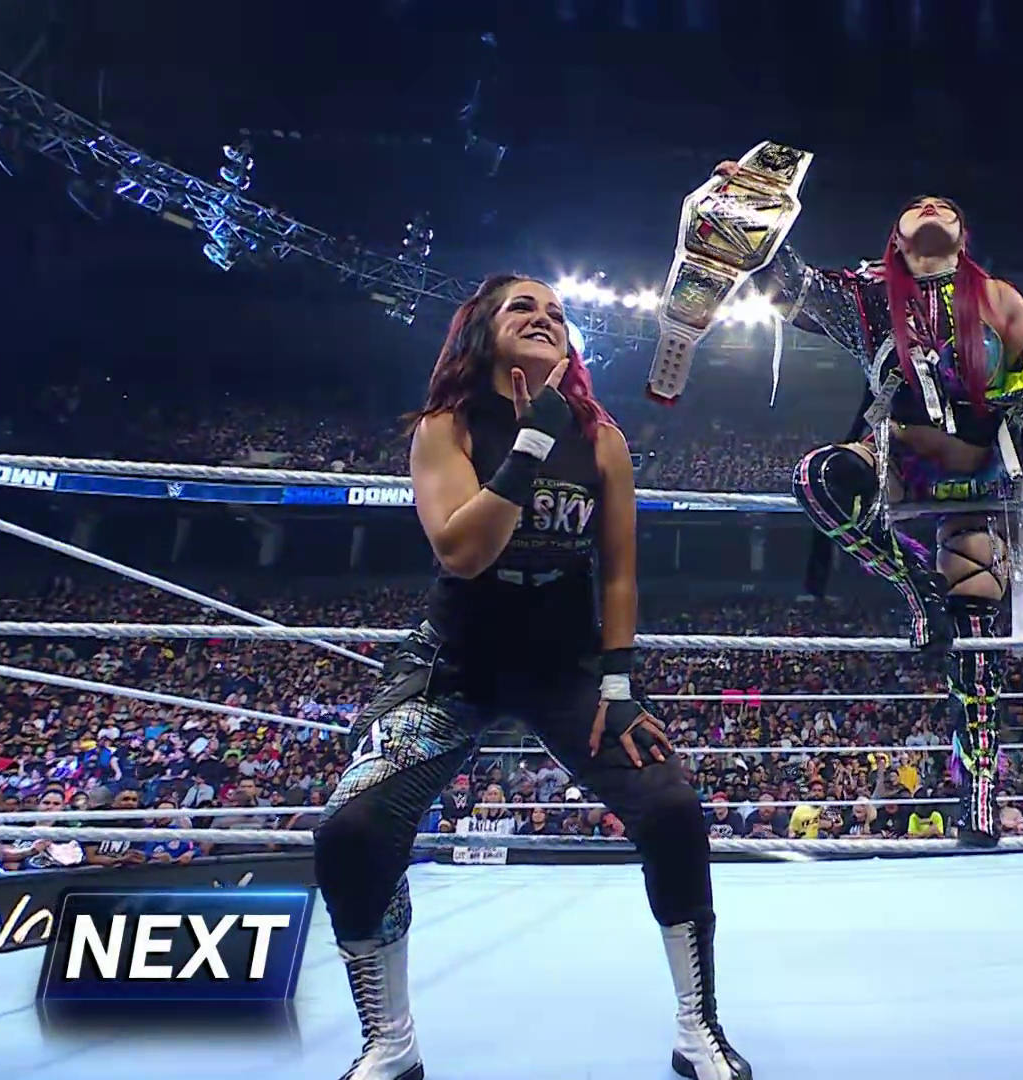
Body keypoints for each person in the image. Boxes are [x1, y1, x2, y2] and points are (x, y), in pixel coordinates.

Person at [313, 275, 750, 1080]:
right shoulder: (446, 428)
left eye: (557, 313)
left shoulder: (601, 437)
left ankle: (700, 1029)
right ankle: (390, 1042)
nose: (545, 318)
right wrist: (529, 447)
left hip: (566, 664)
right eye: (524, 307)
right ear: (482, 330)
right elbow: (462, 552)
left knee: (672, 809)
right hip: (457, 662)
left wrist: (618, 687)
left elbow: (619, 573)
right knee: (352, 830)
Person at [705, 163, 1023, 847]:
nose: (929, 205)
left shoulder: (998, 298)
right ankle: (914, 583)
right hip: (898, 458)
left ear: (963, 234)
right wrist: (752, 202)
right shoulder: (867, 295)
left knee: (974, 636)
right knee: (816, 478)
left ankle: (979, 800)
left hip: (978, 469)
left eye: (943, 203)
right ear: (896, 237)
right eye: (916, 203)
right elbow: (786, 282)